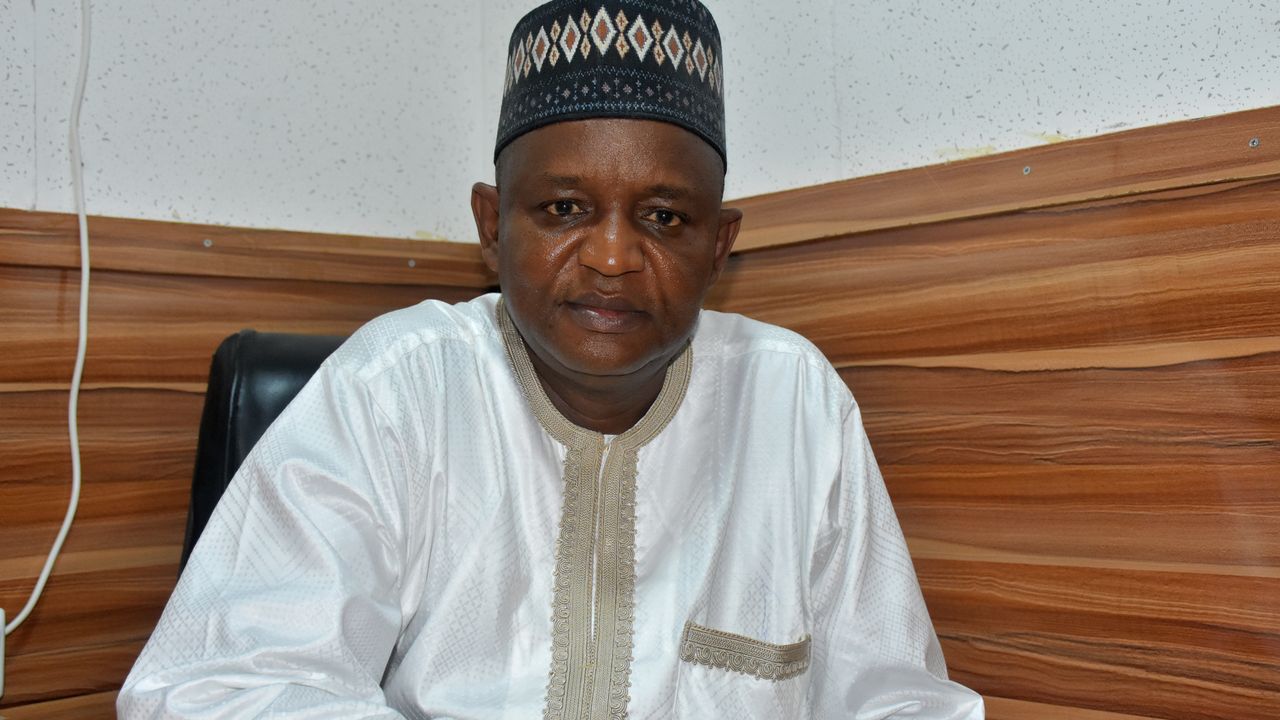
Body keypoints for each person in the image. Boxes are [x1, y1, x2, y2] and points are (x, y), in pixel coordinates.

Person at [118, 1, 984, 717]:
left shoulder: (794, 402)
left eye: (664, 218)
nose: (611, 257)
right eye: (565, 208)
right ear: (492, 224)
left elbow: (899, 698)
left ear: (719, 246)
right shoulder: (397, 389)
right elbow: (215, 688)